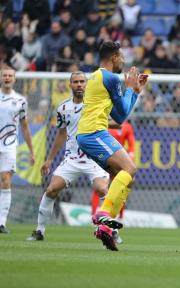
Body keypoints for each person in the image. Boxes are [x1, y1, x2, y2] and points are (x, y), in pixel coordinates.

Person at [76, 41, 148, 251]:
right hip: (93, 133)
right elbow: (124, 112)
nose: (124, 62)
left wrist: (133, 91)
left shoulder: (99, 77)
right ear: (115, 57)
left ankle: (106, 229)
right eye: (122, 58)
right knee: (130, 169)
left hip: (90, 133)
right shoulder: (109, 77)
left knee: (125, 179)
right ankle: (103, 213)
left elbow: (118, 117)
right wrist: (131, 89)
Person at [27, 72, 110, 241]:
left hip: (93, 159)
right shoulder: (63, 108)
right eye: (76, 82)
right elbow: (61, 134)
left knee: (103, 190)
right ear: (70, 85)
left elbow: (113, 122)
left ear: (87, 84)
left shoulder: (95, 104)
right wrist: (50, 159)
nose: (79, 84)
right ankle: (39, 231)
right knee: (51, 190)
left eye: (82, 82)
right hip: (72, 159)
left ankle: (111, 232)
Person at [0, 67, 35, 234]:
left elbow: (25, 126)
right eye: (4, 75)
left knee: (6, 181)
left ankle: (1, 223)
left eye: (10, 76)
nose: (7, 78)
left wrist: (31, 151)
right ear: (1, 78)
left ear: (14, 79)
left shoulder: (20, 100)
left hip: (9, 145)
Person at [91, 119, 136, 243]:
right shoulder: (100, 121)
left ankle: (116, 225)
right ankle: (98, 218)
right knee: (101, 188)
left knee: (122, 188)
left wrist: (130, 157)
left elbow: (132, 145)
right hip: (103, 157)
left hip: (118, 160)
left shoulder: (126, 126)